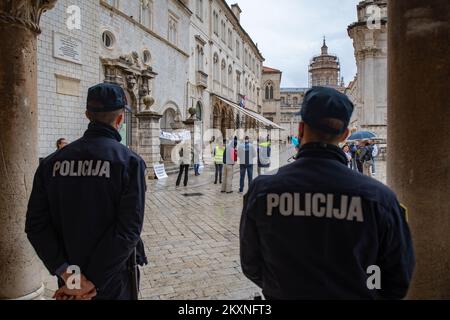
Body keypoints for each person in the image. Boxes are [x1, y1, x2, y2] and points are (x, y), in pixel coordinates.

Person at [240, 86, 415, 300]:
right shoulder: (379, 198)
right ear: (344, 135)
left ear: (301, 129)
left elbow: (251, 264)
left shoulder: (262, 190)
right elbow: (398, 277)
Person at [26, 83, 148, 300]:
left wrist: (73, 280)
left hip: (70, 278)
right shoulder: (130, 163)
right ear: (120, 119)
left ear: (87, 115)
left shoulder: (51, 163)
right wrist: (91, 283)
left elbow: (36, 226)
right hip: (113, 280)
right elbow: (128, 231)